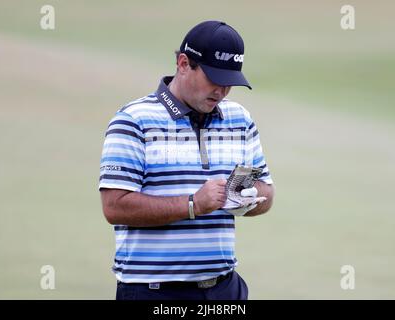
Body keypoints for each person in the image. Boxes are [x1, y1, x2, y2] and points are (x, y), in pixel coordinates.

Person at [99, 20, 275, 300]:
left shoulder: (240, 120)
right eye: (213, 79)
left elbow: (266, 190)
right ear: (183, 64)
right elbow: (114, 206)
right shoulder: (133, 120)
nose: (221, 91)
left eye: (229, 83)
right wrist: (193, 204)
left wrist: (244, 198)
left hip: (224, 289)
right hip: (153, 291)